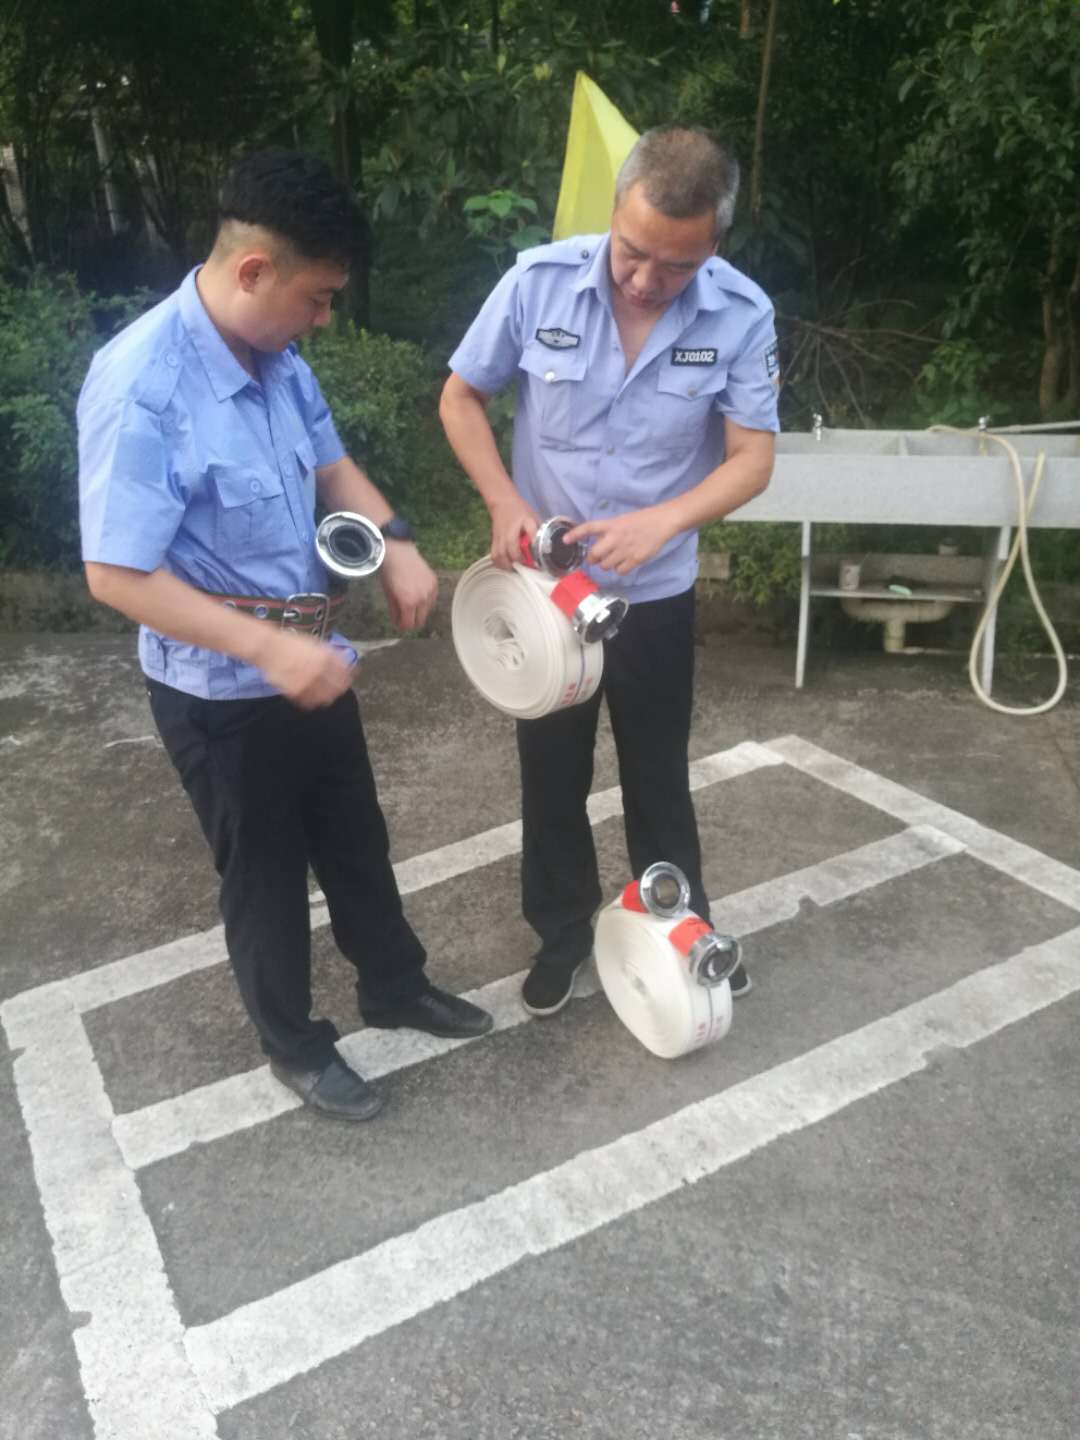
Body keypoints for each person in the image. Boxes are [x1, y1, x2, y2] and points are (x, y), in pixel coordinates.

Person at [78, 148, 492, 1123]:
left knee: (355, 839)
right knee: (263, 876)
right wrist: (269, 651)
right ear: (255, 270)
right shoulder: (142, 387)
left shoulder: (276, 358)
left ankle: (394, 985)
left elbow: (332, 466)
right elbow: (116, 574)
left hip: (310, 662)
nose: (324, 319)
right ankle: (295, 1045)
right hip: (220, 692)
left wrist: (397, 543)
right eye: (318, 298)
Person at [440, 125, 778, 1017]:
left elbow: (752, 459)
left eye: (676, 266)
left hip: (654, 595)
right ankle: (562, 931)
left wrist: (664, 521)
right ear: (616, 212)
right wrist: (502, 500)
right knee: (551, 769)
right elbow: (461, 396)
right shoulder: (538, 282)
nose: (643, 280)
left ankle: (680, 926)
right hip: (548, 594)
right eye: (632, 251)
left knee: (658, 772)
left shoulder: (741, 314)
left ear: (713, 244)